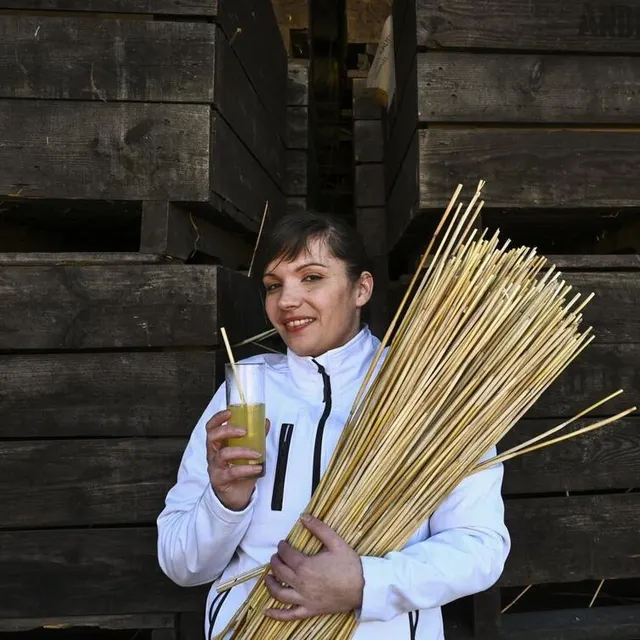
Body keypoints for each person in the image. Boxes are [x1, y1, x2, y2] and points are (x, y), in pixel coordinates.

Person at [157, 211, 510, 639]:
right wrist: (224, 502)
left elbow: (480, 550)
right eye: (273, 285)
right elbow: (181, 565)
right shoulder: (247, 390)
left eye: (310, 278)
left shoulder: (430, 394)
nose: (286, 300)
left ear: (361, 288)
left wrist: (365, 583)